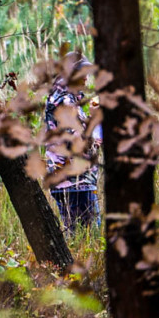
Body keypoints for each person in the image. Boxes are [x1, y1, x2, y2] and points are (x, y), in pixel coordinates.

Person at [44, 52, 102, 234]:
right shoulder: (66, 101)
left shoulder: (63, 97)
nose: (86, 77)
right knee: (88, 239)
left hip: (72, 181)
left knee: (77, 239)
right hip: (75, 183)